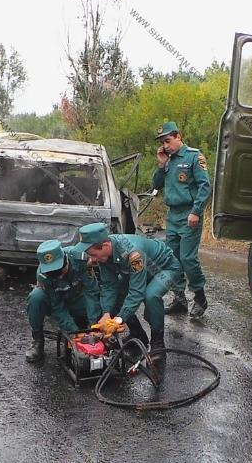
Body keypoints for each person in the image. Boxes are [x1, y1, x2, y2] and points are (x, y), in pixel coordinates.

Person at [78, 222, 181, 353]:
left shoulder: (133, 254)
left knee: (151, 296)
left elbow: (136, 292)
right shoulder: (103, 255)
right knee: (116, 297)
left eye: (93, 255)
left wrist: (119, 319)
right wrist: (106, 313)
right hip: (141, 272)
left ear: (105, 246)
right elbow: (109, 286)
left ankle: (158, 342)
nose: (92, 259)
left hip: (165, 269)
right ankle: (137, 335)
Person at [151, 121, 212, 318]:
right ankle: (179, 298)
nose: (165, 146)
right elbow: (156, 184)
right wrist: (161, 165)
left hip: (189, 214)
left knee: (187, 258)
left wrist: (196, 211)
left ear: (178, 136)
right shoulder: (167, 160)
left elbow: (205, 186)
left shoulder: (194, 156)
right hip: (173, 215)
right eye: (163, 143)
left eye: (168, 141)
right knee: (172, 258)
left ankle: (200, 297)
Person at [25, 239, 102, 364]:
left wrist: (94, 326)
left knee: (104, 301)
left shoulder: (80, 260)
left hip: (79, 301)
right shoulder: (42, 275)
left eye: (59, 271)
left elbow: (92, 293)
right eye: (53, 273)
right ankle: (38, 341)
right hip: (58, 302)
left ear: (65, 259)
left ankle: (87, 324)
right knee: (36, 297)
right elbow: (57, 307)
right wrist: (74, 333)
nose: (59, 276)